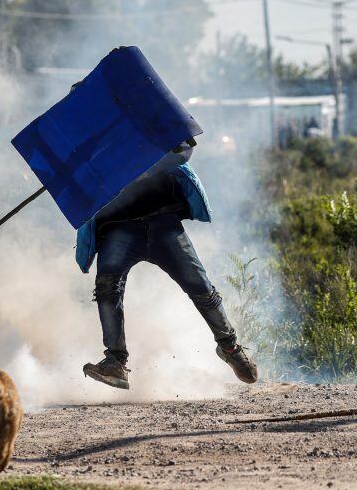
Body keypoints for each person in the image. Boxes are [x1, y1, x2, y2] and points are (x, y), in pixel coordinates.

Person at [76, 139, 258, 390]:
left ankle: (229, 347)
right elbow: (79, 180)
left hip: (163, 222)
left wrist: (152, 163)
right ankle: (115, 362)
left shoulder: (151, 122)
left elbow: (185, 148)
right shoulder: (90, 141)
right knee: (108, 289)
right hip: (118, 227)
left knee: (201, 288)